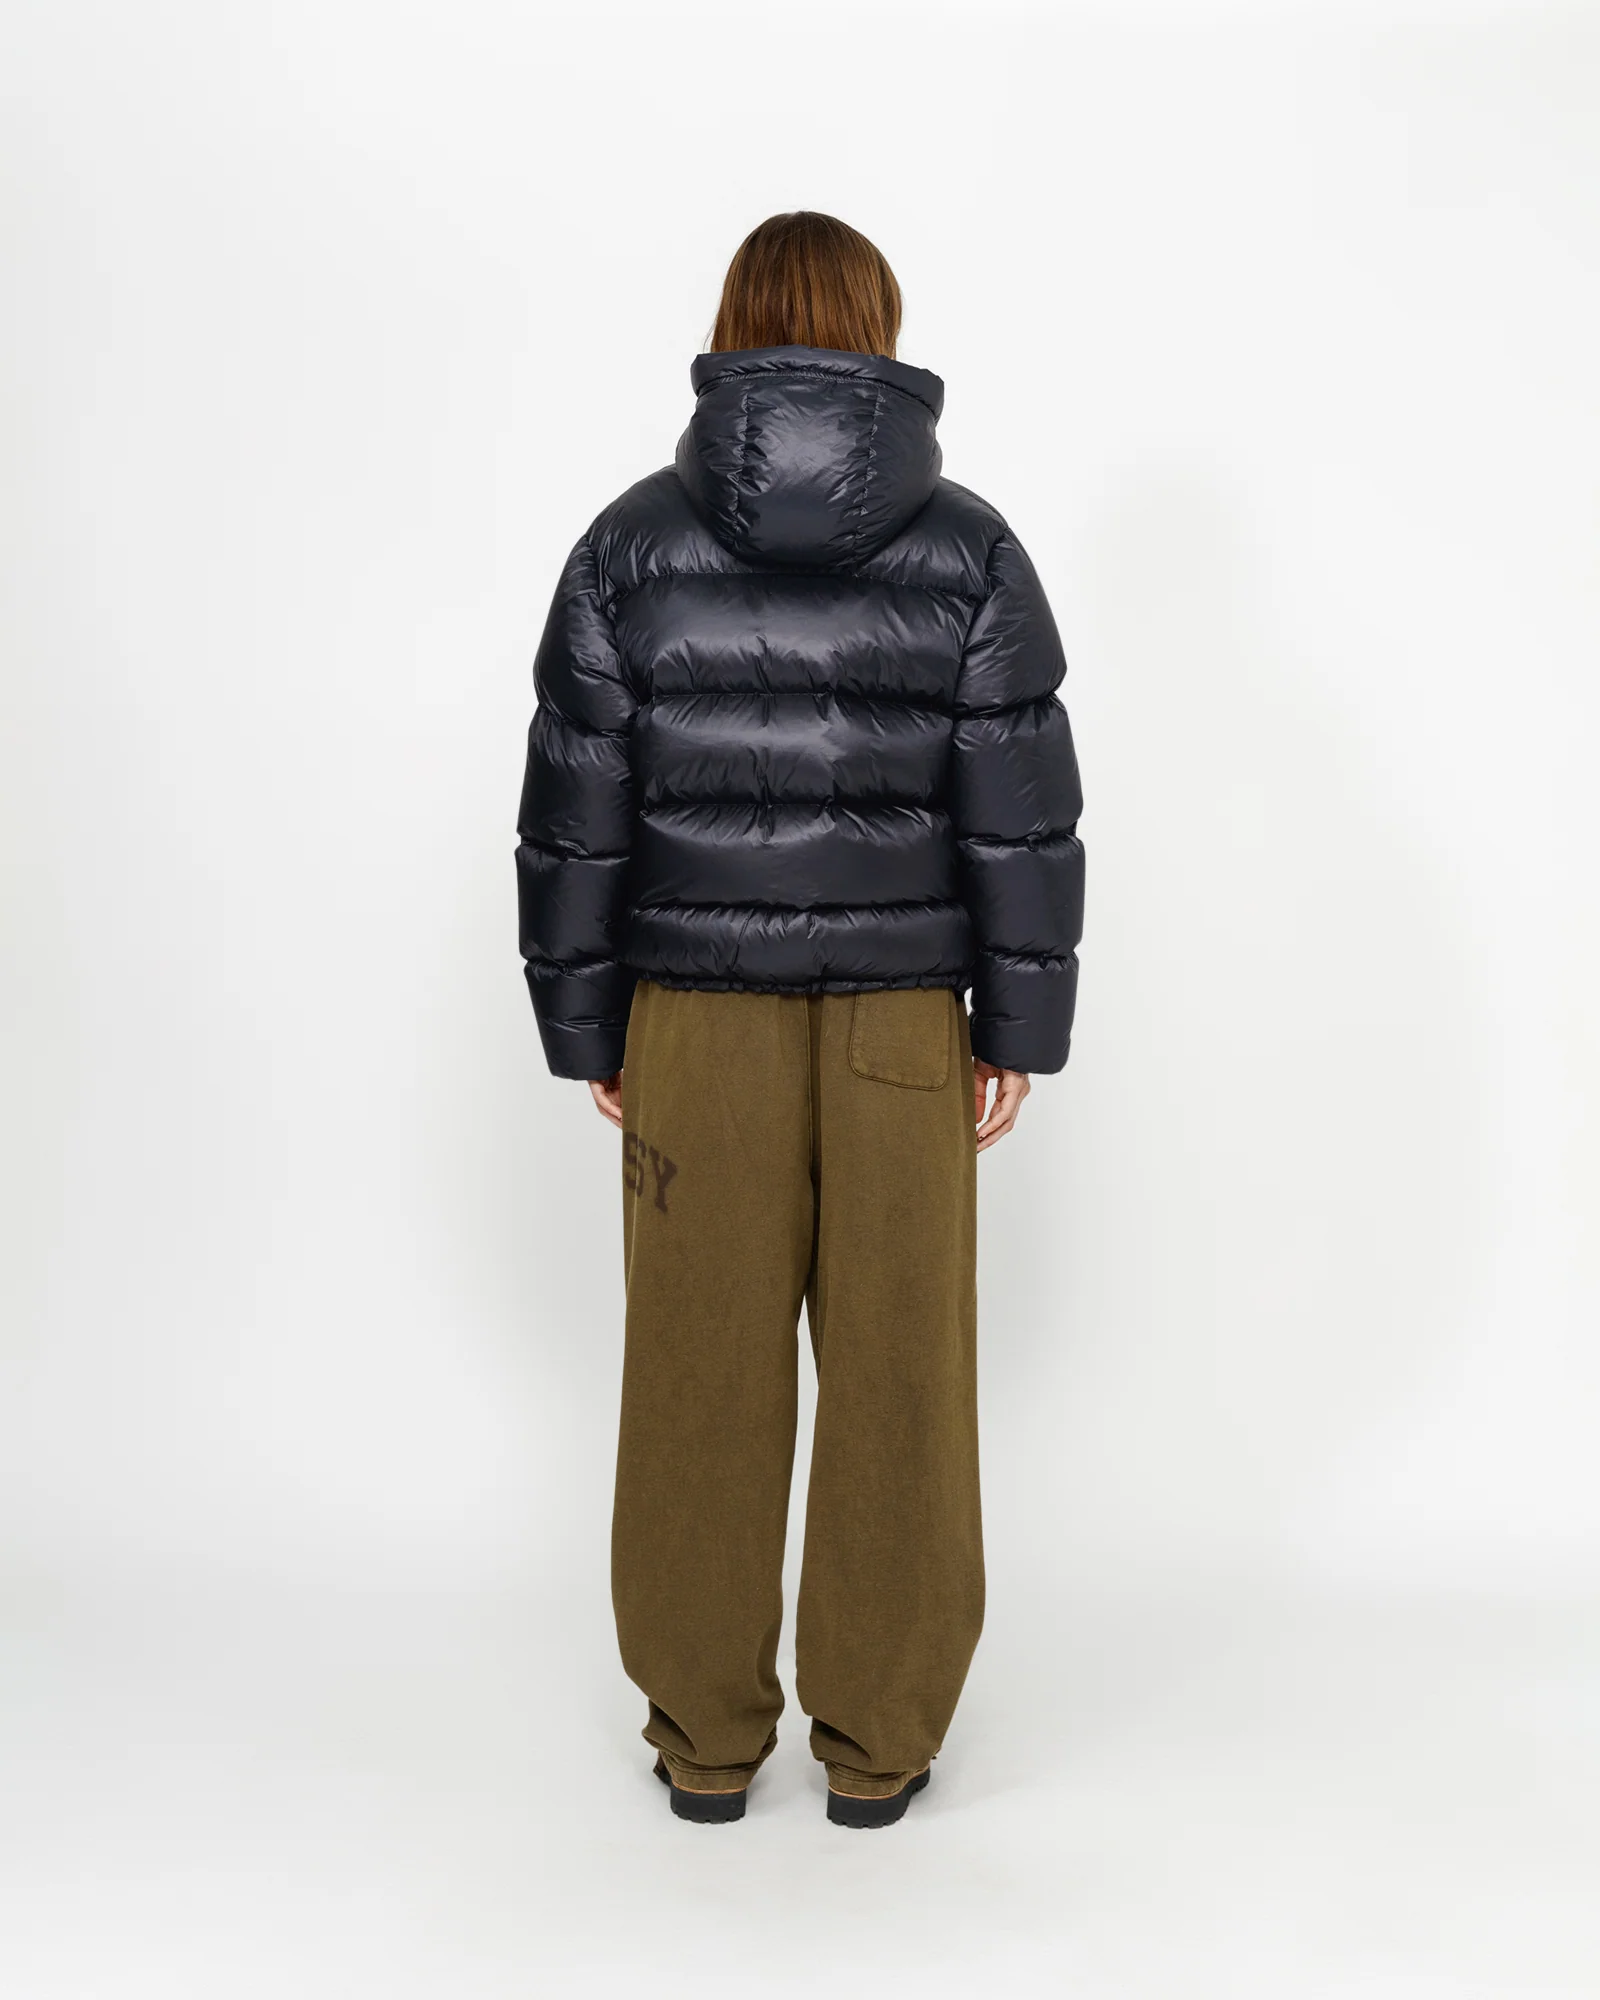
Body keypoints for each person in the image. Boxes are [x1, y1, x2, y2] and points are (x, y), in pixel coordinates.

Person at [515, 212, 1084, 1829]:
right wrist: (1014, 1028)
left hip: (693, 1021)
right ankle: (880, 1744)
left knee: (694, 1375)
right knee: (906, 1376)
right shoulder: (972, 553)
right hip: (905, 1021)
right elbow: (1019, 814)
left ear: (734, 331)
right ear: (879, 332)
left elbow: (574, 810)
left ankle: (703, 1743)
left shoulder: (625, 550)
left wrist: (592, 1027)